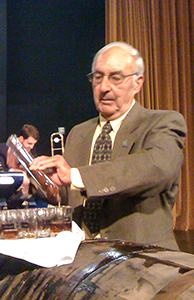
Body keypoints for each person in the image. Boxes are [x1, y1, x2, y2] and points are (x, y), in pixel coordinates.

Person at [30, 41, 186, 250]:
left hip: (143, 261)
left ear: (137, 83)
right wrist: (42, 181)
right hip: (83, 259)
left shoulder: (162, 122)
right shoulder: (78, 133)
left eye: (116, 78)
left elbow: (156, 168)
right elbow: (72, 194)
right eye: (98, 77)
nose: (104, 87)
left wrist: (75, 175)